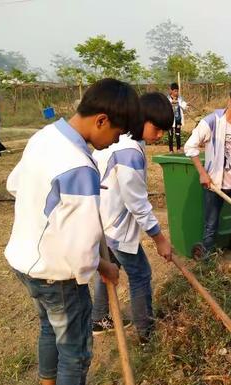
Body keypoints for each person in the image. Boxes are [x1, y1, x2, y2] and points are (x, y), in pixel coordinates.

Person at [4, 78, 141, 385]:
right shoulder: (80, 166)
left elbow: (16, 184)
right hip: (56, 272)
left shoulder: (44, 136)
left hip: (24, 260)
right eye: (115, 133)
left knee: (49, 329)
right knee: (75, 352)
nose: (114, 142)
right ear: (101, 120)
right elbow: (82, 252)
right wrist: (102, 267)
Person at [92, 92, 173, 343]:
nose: (160, 135)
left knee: (110, 267)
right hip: (115, 224)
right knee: (140, 275)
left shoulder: (121, 138)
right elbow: (137, 203)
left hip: (101, 221)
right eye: (157, 128)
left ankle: (98, 317)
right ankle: (146, 333)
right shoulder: (129, 151)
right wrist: (159, 239)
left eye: (164, 131)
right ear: (141, 118)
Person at [184, 79, 231, 259]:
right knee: (211, 225)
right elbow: (190, 147)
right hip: (214, 186)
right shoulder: (212, 122)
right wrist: (203, 174)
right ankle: (206, 263)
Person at [167, 82, 187, 152]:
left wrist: (184, 104)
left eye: (177, 91)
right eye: (175, 91)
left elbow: (184, 106)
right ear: (171, 91)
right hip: (170, 120)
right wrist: (172, 103)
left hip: (178, 119)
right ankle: (171, 150)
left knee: (178, 134)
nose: (176, 92)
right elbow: (166, 107)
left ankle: (178, 148)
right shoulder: (167, 99)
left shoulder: (180, 98)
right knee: (170, 135)